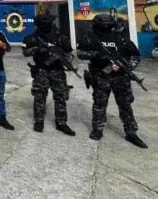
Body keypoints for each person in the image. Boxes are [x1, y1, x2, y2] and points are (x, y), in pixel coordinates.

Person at [77, 14, 147, 148]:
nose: (105, 27)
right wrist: (98, 55)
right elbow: (80, 53)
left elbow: (135, 55)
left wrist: (126, 66)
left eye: (108, 25)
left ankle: (131, 132)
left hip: (121, 78)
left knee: (125, 105)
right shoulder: (91, 38)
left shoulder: (121, 38)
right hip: (101, 76)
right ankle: (97, 129)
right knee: (99, 104)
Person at [23, 13, 75, 136]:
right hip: (41, 71)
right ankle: (39, 121)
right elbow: (25, 52)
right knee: (39, 97)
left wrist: (65, 60)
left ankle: (61, 122)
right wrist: (37, 49)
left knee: (61, 97)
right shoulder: (32, 38)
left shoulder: (60, 37)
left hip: (58, 71)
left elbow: (69, 53)